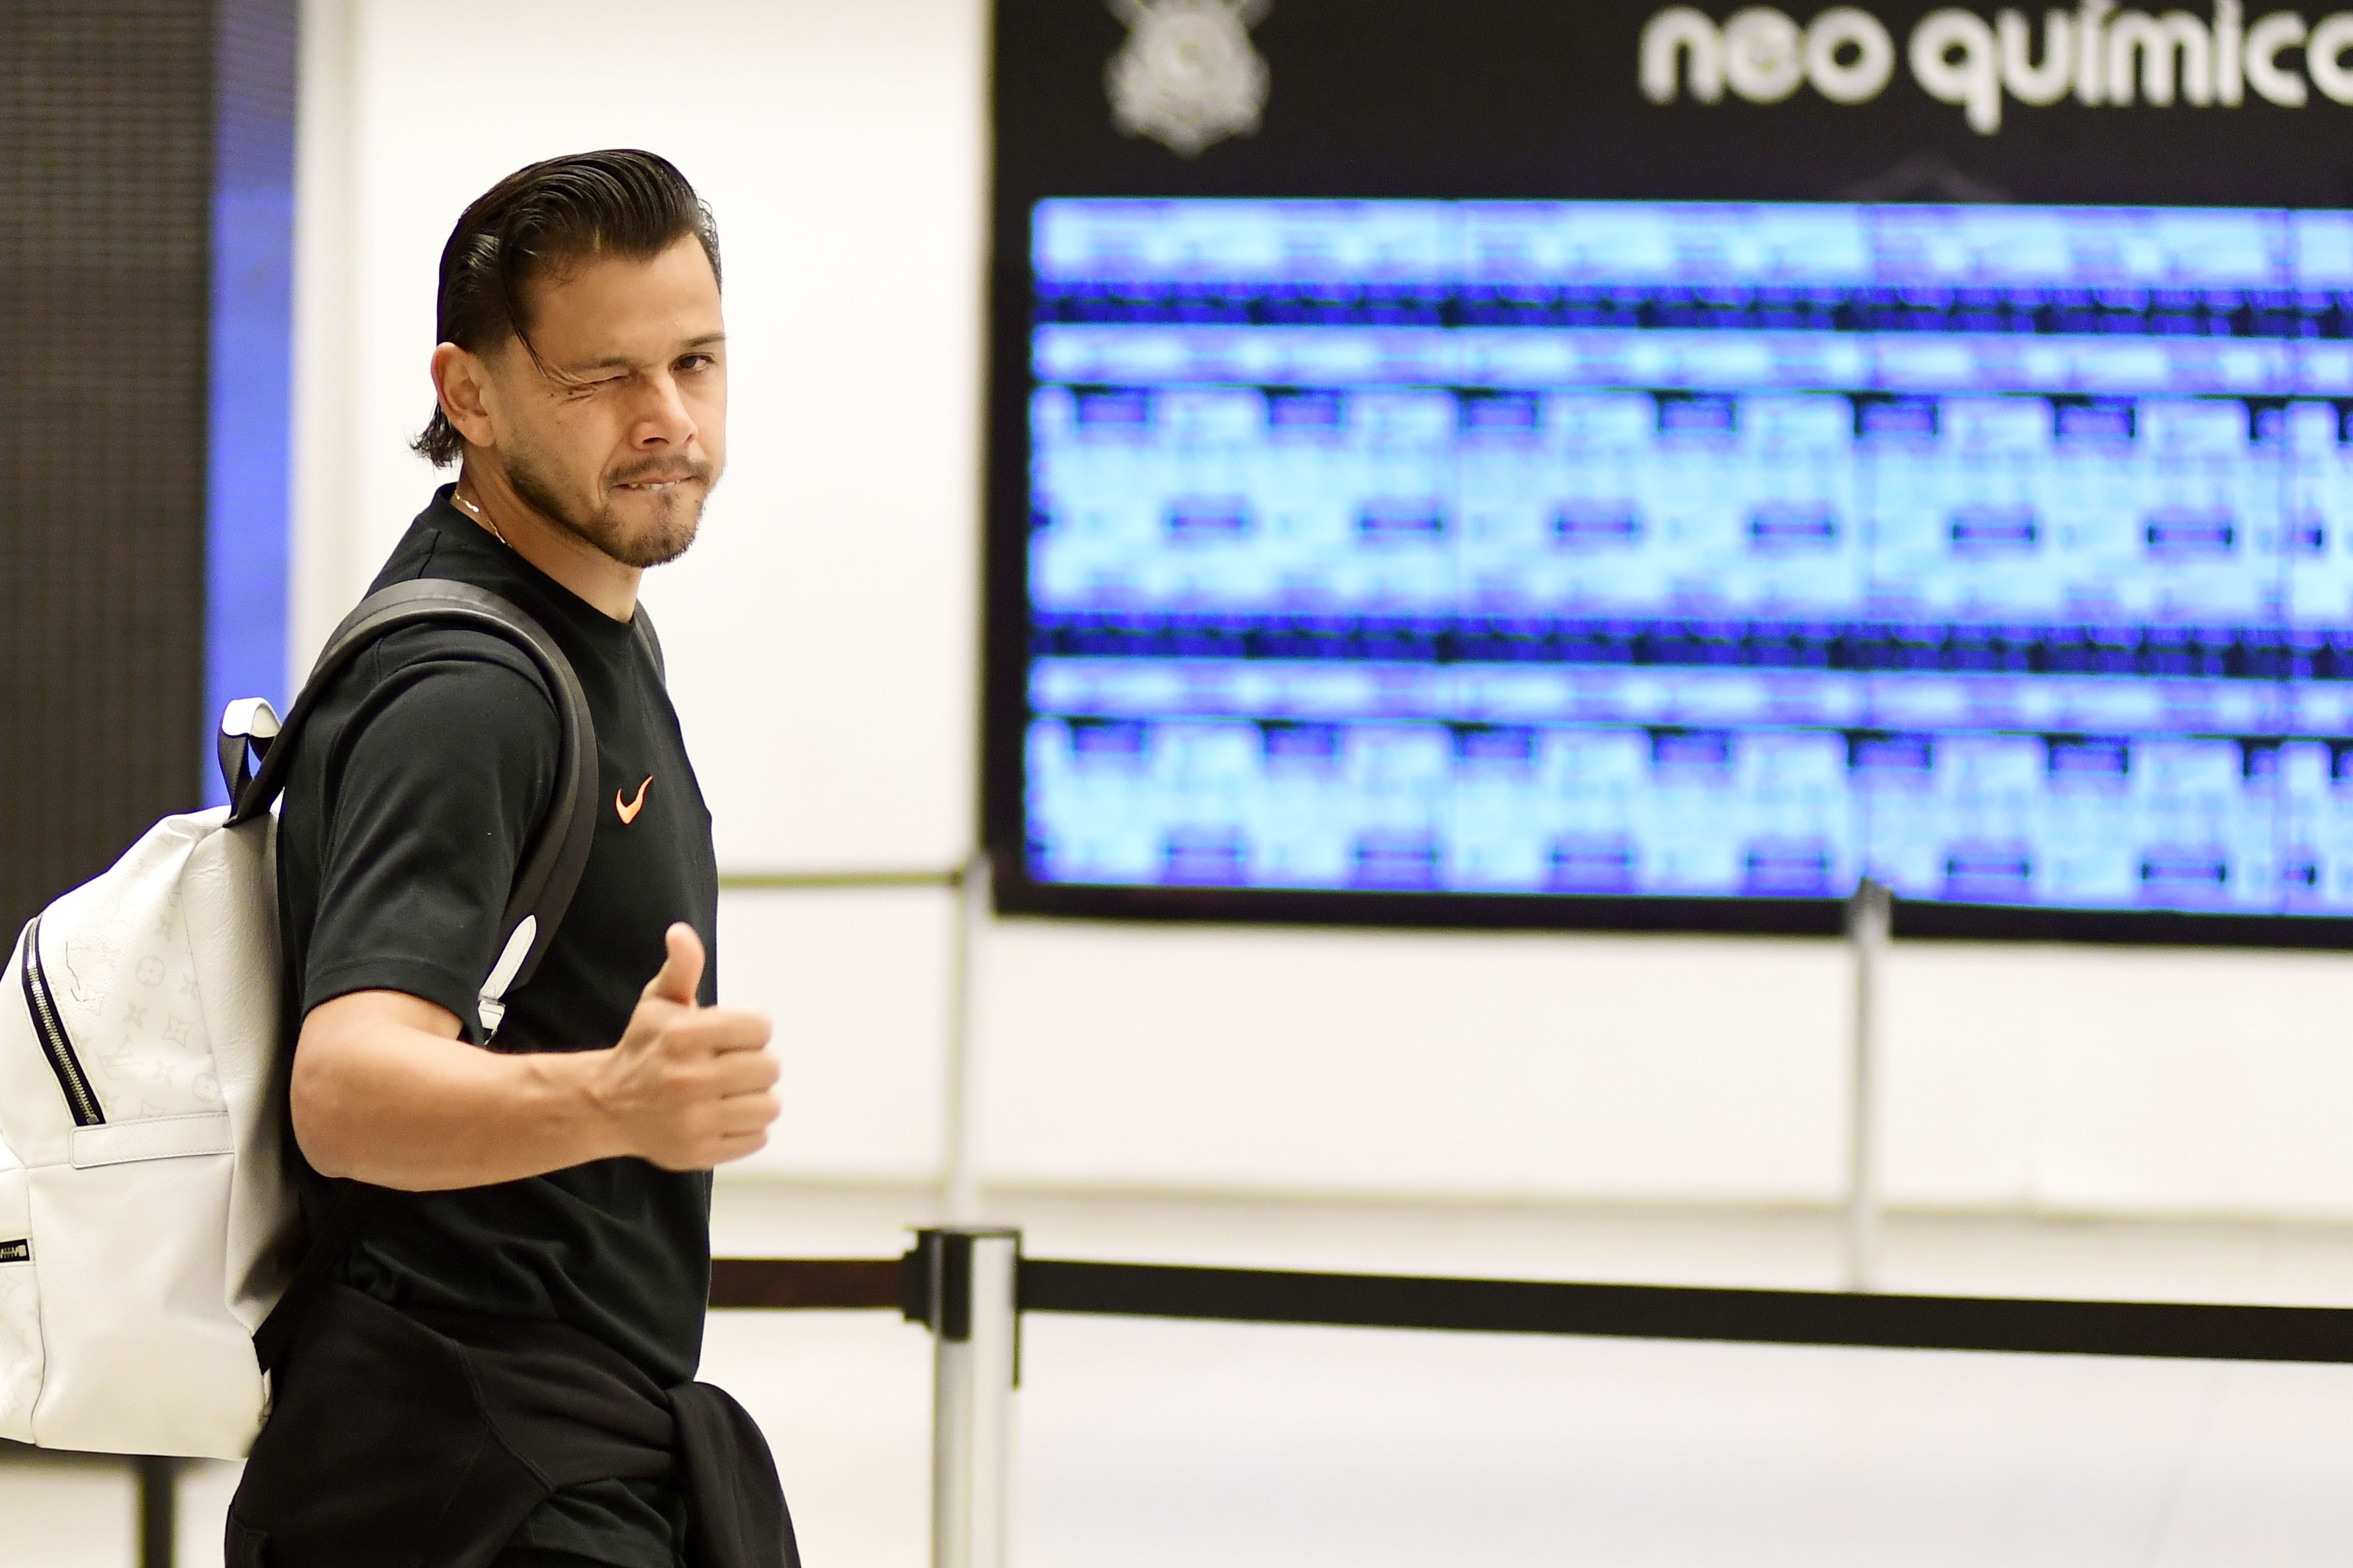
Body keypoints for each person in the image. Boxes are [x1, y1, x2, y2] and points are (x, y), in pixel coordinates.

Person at [225, 150, 789, 1568]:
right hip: (466, 1483)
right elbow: (346, 1089)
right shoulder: (472, 691)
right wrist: (615, 1097)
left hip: (541, 1451)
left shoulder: (586, 627)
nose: (668, 420)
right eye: (604, 378)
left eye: (696, 361)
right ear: (467, 394)